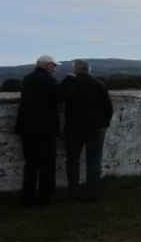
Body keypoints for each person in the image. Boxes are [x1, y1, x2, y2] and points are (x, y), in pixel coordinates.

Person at [60, 59, 113, 201]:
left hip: (74, 128)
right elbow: (108, 108)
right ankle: (93, 193)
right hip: (96, 128)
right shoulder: (99, 84)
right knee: (94, 161)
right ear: (89, 69)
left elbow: (58, 97)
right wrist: (104, 124)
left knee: (73, 161)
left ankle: (73, 192)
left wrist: (67, 79)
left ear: (75, 70)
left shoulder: (71, 83)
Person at [14, 55, 62, 207]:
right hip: (45, 128)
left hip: (27, 127)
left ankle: (27, 198)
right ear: (47, 65)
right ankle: (44, 197)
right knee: (47, 164)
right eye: (54, 66)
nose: (55, 69)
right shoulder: (49, 80)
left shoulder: (27, 78)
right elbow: (59, 97)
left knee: (31, 164)